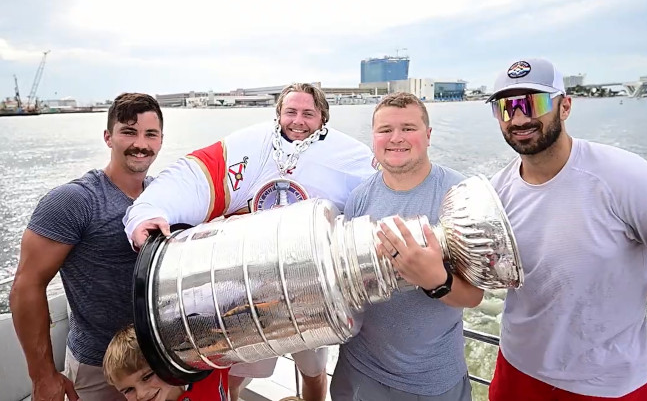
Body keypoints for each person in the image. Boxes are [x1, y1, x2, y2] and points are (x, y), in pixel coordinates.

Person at [123, 82, 377, 401]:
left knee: (313, 375)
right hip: (252, 296)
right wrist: (146, 213)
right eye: (290, 112)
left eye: (308, 114)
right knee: (236, 377)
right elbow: (194, 178)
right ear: (278, 114)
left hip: (313, 295)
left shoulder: (350, 156)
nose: (298, 121)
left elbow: (385, 195)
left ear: (323, 118)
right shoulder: (251, 147)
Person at [485, 58, 647, 400]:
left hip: (605, 385)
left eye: (532, 102)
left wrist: (644, 290)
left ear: (565, 106)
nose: (518, 118)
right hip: (515, 370)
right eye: (505, 107)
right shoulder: (495, 191)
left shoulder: (625, 177)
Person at [9, 93, 165, 401]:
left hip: (158, 359)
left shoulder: (163, 197)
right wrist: (42, 376)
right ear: (108, 137)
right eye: (129, 131)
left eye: (151, 134)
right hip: (98, 364)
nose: (141, 143)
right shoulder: (75, 201)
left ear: (161, 140)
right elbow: (27, 286)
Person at [329, 92, 483, 401]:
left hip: (431, 380)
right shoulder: (359, 197)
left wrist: (436, 282)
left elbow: (474, 296)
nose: (396, 138)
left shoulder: (458, 195)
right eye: (385, 130)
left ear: (428, 135)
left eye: (408, 128)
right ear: (374, 138)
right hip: (359, 370)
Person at [103, 325, 231, 401]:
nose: (141, 395)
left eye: (147, 377)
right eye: (128, 390)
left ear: (166, 359)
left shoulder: (209, 364)